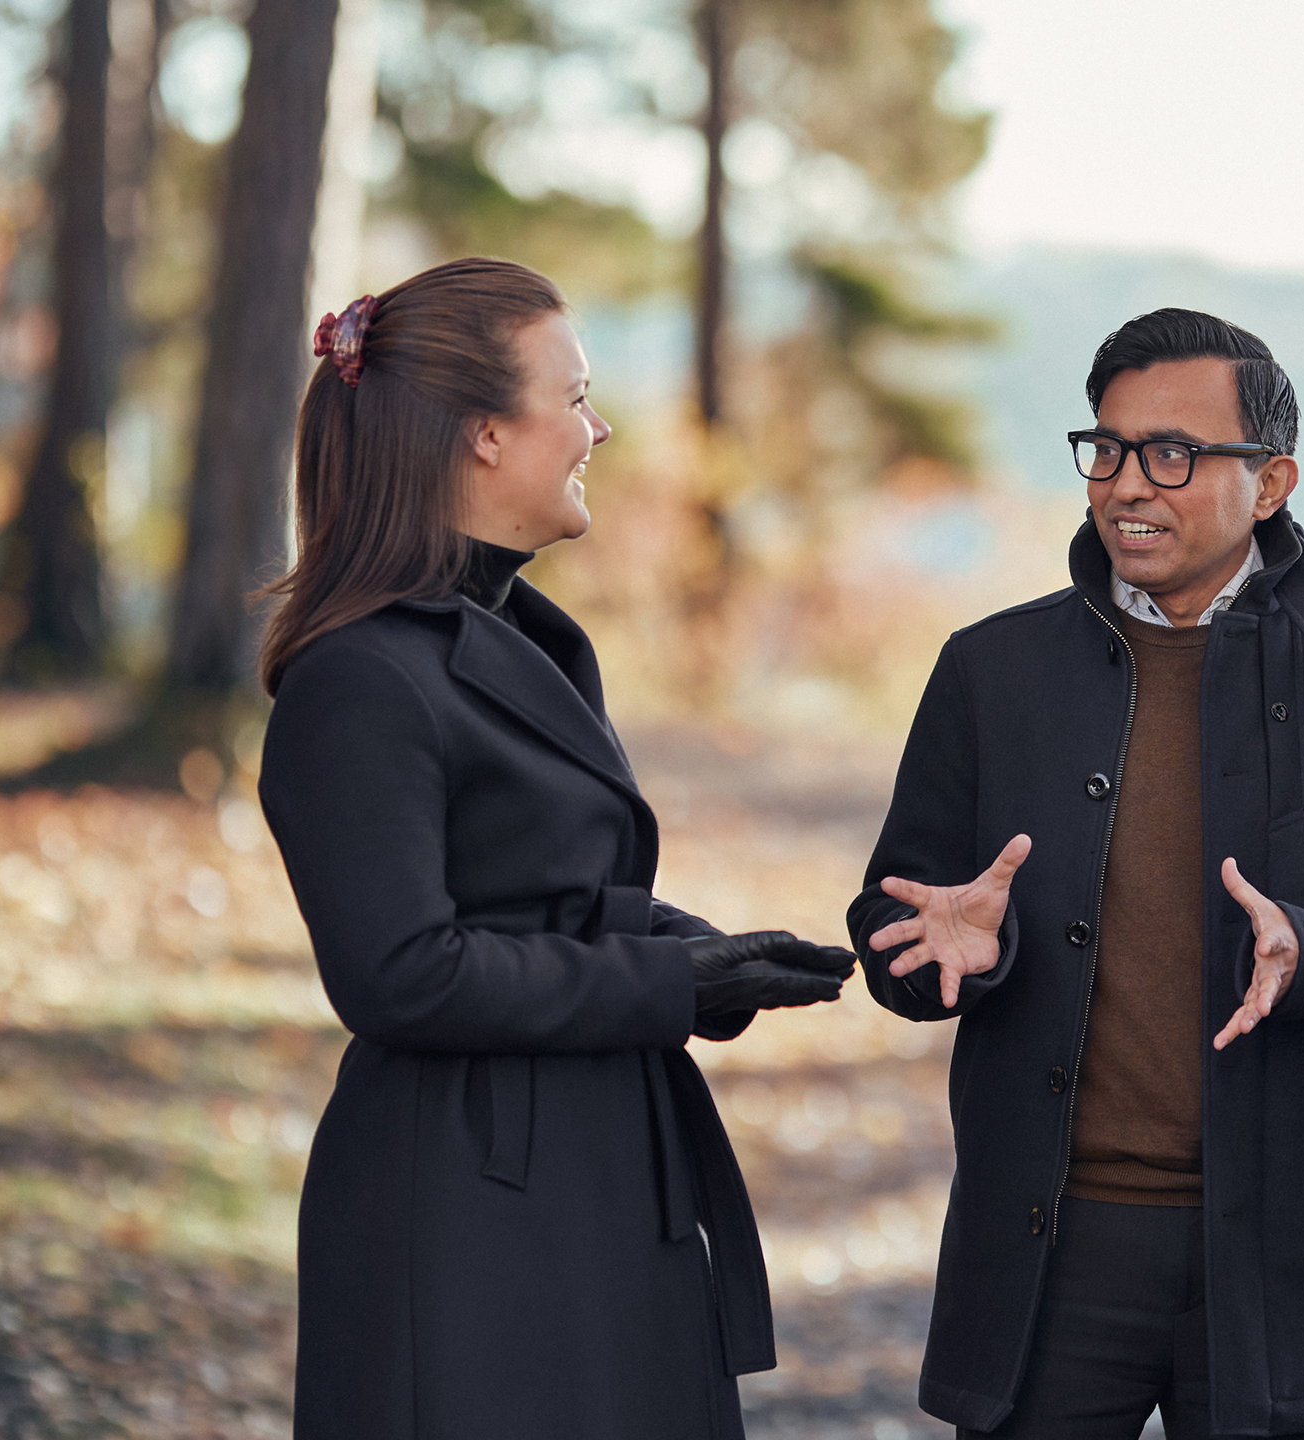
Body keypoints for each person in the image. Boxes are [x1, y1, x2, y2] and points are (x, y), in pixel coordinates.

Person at [846, 308, 1304, 1439]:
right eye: (1104, 449)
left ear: (1271, 481)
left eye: (1172, 454)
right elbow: (897, 924)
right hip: (1049, 1246)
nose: (1125, 485)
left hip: (1283, 1250)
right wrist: (946, 957)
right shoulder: (989, 670)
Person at [257, 257, 858, 1440]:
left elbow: (542, 897)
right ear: (484, 433)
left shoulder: (518, 635)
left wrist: (704, 953)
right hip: (473, 1207)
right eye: (573, 396)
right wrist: (668, 984)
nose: (600, 427)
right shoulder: (358, 679)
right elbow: (401, 972)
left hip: (586, 1170)